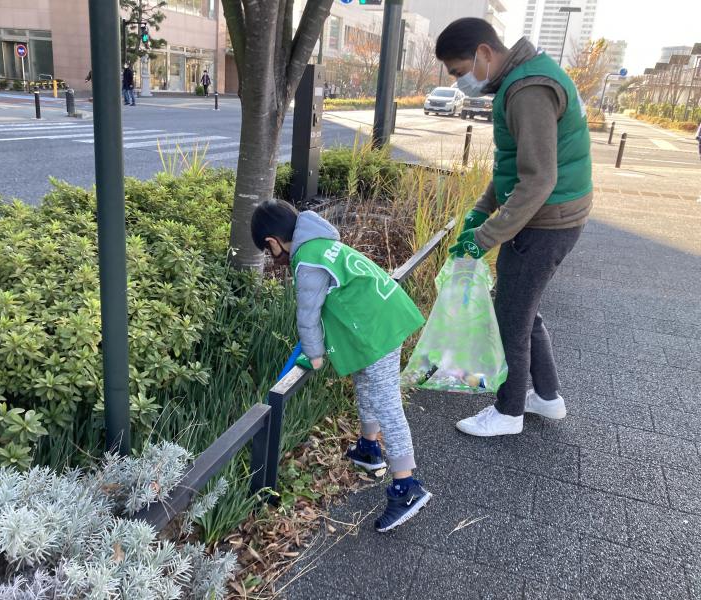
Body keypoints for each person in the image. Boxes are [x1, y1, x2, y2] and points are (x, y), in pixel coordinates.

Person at [436, 18, 592, 437]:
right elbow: (514, 167)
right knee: (523, 310)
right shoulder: (524, 78)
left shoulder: (527, 90)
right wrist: (480, 209)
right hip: (554, 217)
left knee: (511, 317)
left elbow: (538, 179)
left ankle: (508, 413)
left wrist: (485, 237)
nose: (459, 81)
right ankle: (547, 397)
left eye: (457, 70)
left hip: (545, 223)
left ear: (484, 53)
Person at [251, 199, 431, 532]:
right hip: (380, 319)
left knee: (386, 402)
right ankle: (368, 448)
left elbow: (307, 314)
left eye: (268, 252)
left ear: (272, 242)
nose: (272, 259)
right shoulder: (320, 242)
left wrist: (314, 353)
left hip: (376, 331)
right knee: (366, 386)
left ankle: (407, 487)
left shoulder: (306, 260)